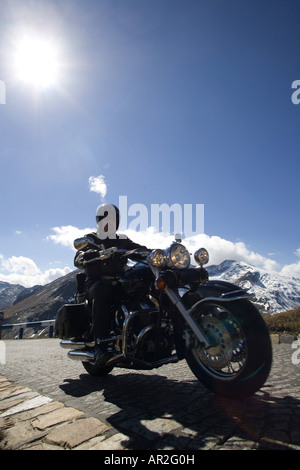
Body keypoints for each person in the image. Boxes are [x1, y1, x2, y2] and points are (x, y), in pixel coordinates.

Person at [74, 203, 149, 365]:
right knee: (103, 290)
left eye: (114, 219)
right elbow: (78, 256)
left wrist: (154, 253)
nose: (111, 223)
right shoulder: (92, 238)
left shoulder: (121, 239)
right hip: (96, 282)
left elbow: (138, 249)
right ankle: (100, 344)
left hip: (119, 281)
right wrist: (86, 254)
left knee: (142, 283)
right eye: (107, 219)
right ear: (100, 220)